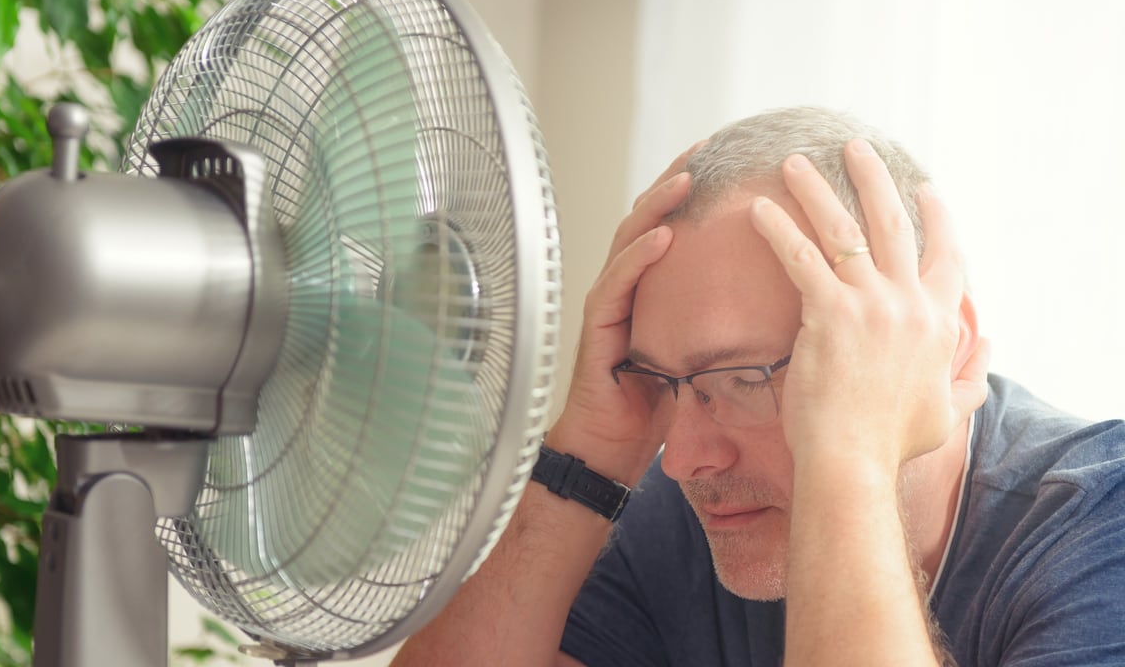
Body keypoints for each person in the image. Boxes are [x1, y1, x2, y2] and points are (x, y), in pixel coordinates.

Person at [391, 106, 1125, 666]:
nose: (682, 460)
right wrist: (592, 452)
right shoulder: (683, 522)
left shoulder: (1101, 525)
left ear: (945, 347)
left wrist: (849, 458)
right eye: (662, 381)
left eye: (743, 380)